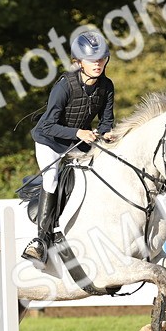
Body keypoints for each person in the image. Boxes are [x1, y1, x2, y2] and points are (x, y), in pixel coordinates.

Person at [23, 30, 115, 263]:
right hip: (49, 140)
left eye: (101, 59)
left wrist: (106, 135)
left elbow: (106, 121)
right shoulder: (64, 86)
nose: (98, 64)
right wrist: (78, 132)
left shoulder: (107, 86)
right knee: (51, 178)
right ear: (78, 62)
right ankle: (41, 241)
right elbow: (48, 126)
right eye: (92, 60)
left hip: (78, 141)